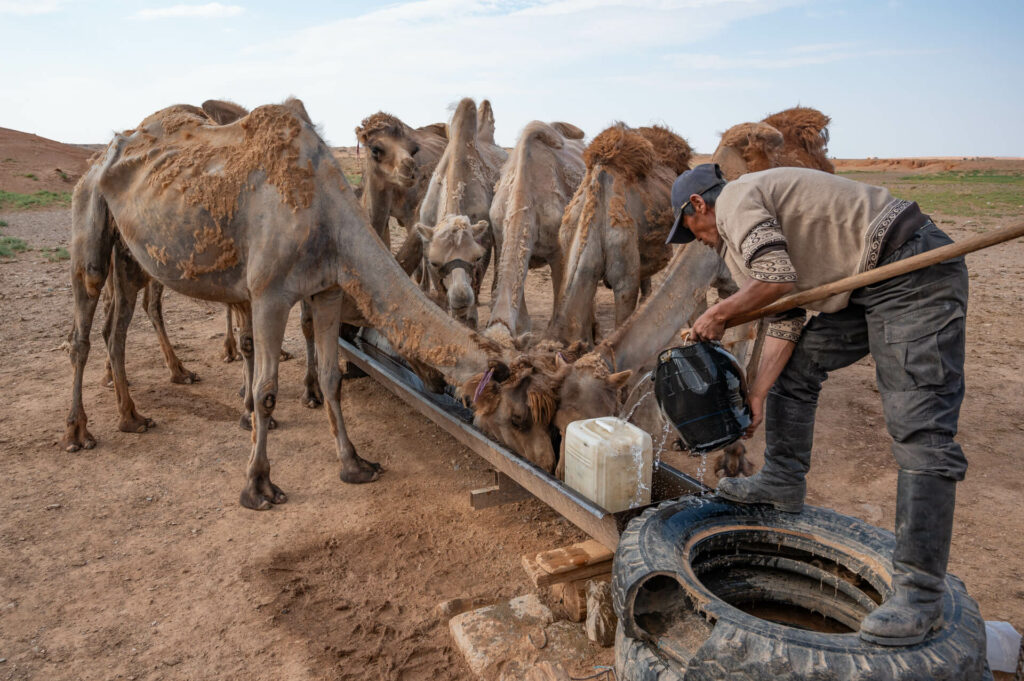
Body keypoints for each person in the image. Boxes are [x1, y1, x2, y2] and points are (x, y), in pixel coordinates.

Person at [665, 163, 968, 646]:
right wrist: (758, 393)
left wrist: (718, 313)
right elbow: (785, 318)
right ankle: (783, 480)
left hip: (912, 269)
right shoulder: (741, 245)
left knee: (920, 429)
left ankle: (920, 593)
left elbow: (777, 278)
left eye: (690, 229)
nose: (695, 239)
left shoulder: (738, 200)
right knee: (795, 371)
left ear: (698, 204)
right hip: (865, 283)